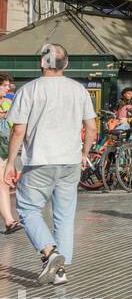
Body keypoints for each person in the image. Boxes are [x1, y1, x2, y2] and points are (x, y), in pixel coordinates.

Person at [4, 44, 97, 285]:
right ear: (65, 64)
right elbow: (91, 128)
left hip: (40, 161)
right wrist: (85, 153)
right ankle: (60, 271)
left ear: (41, 63)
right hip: (70, 161)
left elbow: (18, 131)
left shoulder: (29, 90)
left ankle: (49, 253)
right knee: (64, 216)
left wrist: (10, 163)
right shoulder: (79, 90)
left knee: (28, 210)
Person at [0, 72, 22, 234]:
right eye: (4, 85)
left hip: (3, 149)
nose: (8, 88)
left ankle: (9, 221)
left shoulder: (7, 102)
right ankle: (9, 220)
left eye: (8, 85)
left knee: (4, 184)